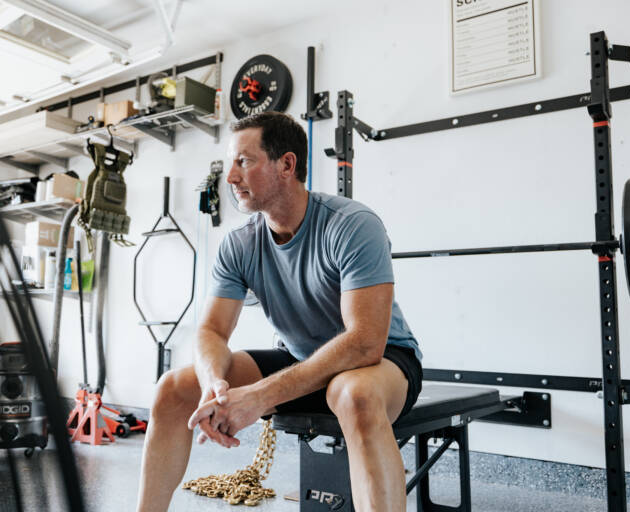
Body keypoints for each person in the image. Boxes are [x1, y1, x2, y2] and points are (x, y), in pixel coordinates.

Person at [136, 111, 422, 512]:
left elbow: (364, 343)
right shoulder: (239, 245)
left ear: (286, 164)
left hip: (381, 362)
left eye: (244, 161)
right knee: (171, 389)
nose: (231, 177)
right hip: (301, 360)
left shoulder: (352, 225)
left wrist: (258, 397)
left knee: (353, 393)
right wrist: (214, 384)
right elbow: (212, 331)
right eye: (232, 164)